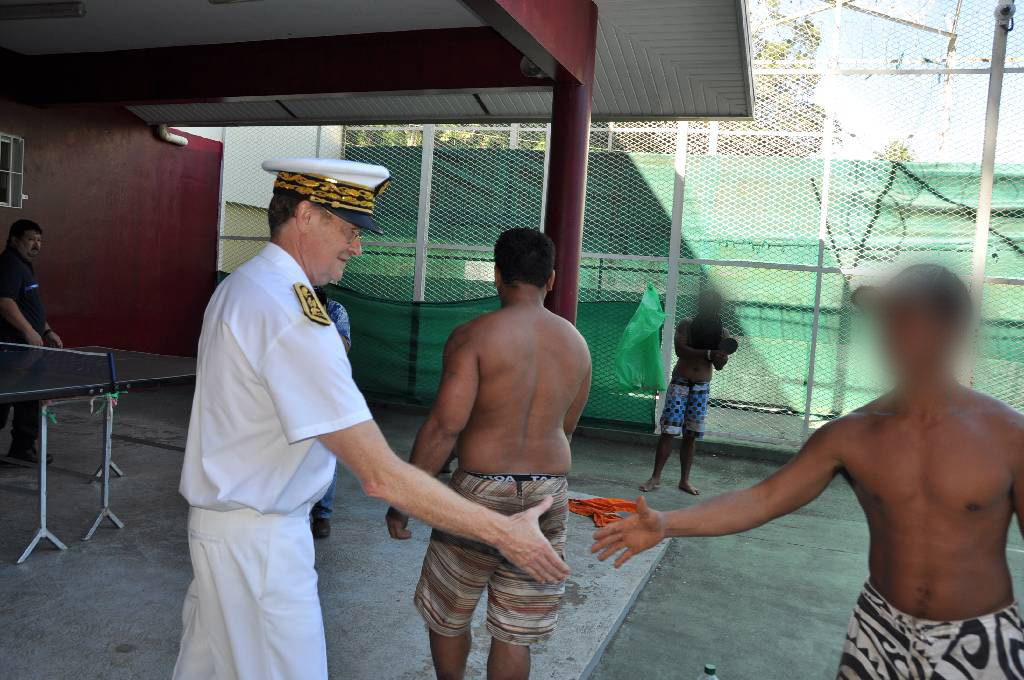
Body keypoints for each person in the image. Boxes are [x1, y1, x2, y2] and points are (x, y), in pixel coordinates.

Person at [173, 160, 568, 680]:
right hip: (261, 552)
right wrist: (503, 531)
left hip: (228, 537)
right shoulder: (290, 314)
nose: (357, 247)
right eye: (350, 229)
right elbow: (379, 472)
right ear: (308, 215)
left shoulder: (244, 286)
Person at [592, 264, 1024, 679]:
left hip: (979, 635)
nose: (893, 336)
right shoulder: (850, 435)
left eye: (910, 320)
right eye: (889, 321)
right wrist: (666, 523)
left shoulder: (1008, 437)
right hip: (879, 627)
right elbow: (764, 498)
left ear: (953, 329)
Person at [385, 228, 592, 680]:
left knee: (448, 609)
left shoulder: (474, 336)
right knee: (515, 630)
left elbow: (444, 428)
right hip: (548, 493)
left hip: (481, 490)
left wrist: (405, 499)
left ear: (496, 277)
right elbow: (566, 428)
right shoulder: (577, 344)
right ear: (551, 280)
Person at [641, 289, 730, 494]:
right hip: (681, 382)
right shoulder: (687, 324)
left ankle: (684, 480)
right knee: (669, 431)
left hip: (701, 386)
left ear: (717, 308)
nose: (708, 308)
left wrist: (721, 359)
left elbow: (718, 366)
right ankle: (655, 478)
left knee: (690, 434)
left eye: (711, 305)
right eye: (705, 304)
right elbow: (681, 351)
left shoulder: (722, 332)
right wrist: (709, 353)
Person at [0, 219, 63, 464]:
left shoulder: (24, 266)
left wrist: (46, 330)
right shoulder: (10, 264)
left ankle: (23, 449)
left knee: (29, 400)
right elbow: (5, 302)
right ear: (15, 240)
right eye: (30, 239)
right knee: (3, 401)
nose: (36, 244)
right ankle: (23, 449)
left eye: (39, 240)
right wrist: (28, 331)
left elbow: (29, 305)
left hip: (28, 349)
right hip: (11, 348)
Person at [310, 285, 351, 539]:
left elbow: (343, 347)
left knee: (327, 451)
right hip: (297, 388)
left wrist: (320, 318)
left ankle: (322, 514)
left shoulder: (335, 310)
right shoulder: (287, 307)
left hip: (328, 390)